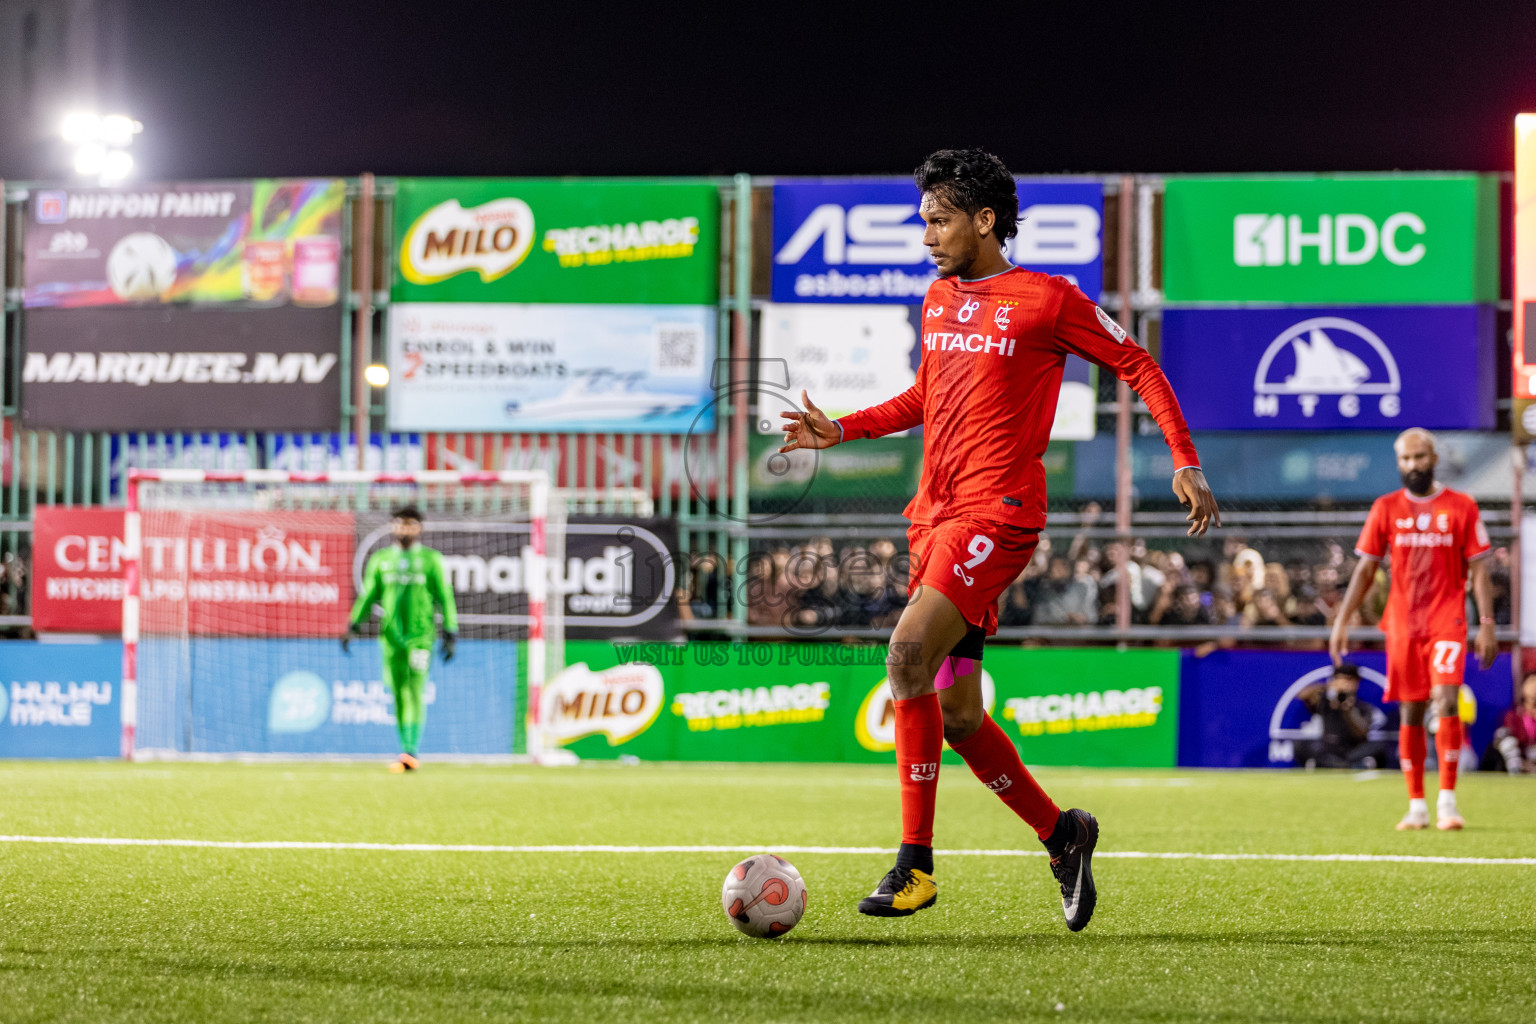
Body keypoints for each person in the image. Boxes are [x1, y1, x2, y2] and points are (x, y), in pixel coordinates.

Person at [778, 148, 1219, 931]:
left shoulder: (1048, 300)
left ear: (985, 220)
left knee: (906, 653)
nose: (927, 236)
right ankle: (1064, 835)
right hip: (933, 517)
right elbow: (927, 392)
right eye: (923, 221)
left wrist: (1183, 459)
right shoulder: (940, 299)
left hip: (998, 515)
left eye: (939, 220)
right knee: (957, 717)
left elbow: (1140, 365)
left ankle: (915, 866)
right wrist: (841, 429)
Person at [1329, 429, 1496, 830]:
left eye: (1420, 457)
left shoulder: (1462, 506)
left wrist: (1487, 624)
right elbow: (1366, 568)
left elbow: (1478, 569)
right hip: (1403, 623)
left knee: (1447, 700)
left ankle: (1448, 803)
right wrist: (1341, 618)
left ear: (1434, 458)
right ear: (1398, 462)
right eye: (1405, 459)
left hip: (1447, 619)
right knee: (1411, 708)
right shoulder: (1385, 508)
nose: (1413, 465)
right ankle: (1417, 805)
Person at [342, 506, 458, 772]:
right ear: (393, 526)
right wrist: (353, 623)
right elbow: (369, 594)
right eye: (400, 524)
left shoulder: (432, 560)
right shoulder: (381, 559)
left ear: (419, 528)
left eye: (410, 524)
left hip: (420, 639)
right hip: (390, 639)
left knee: (415, 691)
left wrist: (451, 630)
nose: (405, 529)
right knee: (397, 693)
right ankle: (405, 748)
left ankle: (410, 751)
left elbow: (445, 597)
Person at [1295, 662, 1387, 769]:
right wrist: (1329, 687)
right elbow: (1302, 695)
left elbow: (1362, 735)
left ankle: (1334, 765)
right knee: (1301, 745)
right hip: (1328, 748)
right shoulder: (1325, 700)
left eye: (1349, 679)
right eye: (1341, 679)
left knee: (1378, 747)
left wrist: (1349, 712)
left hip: (1352, 749)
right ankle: (1347, 765)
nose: (1345, 684)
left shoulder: (1363, 707)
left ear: (1356, 682)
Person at [1483, 673, 1536, 774]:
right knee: (1504, 736)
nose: (1534, 687)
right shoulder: (1514, 715)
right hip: (1517, 757)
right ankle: (1516, 769)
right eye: (1531, 681)